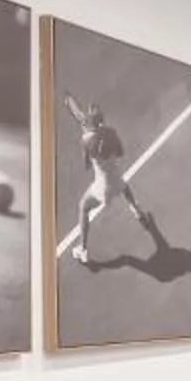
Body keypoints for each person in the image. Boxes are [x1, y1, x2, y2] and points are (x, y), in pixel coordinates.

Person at [66, 96, 167, 266]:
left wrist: (87, 140)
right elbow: (120, 152)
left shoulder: (86, 140)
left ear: (90, 123)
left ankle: (82, 249)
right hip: (117, 178)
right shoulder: (111, 133)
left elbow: (86, 166)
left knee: (83, 207)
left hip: (102, 188)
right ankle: (138, 212)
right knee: (124, 188)